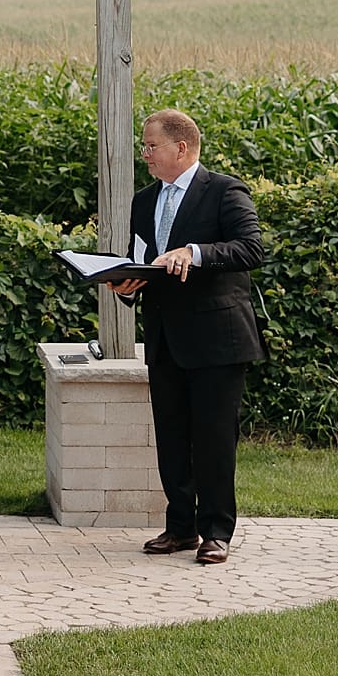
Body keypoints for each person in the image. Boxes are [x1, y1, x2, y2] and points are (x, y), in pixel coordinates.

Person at [112, 108, 265, 565]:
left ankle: (216, 532)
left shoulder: (224, 191)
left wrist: (195, 253)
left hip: (218, 340)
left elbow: (250, 248)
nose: (145, 154)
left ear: (182, 148)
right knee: (172, 438)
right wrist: (126, 285)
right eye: (144, 146)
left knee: (214, 440)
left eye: (151, 145)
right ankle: (179, 527)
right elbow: (143, 261)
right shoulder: (144, 200)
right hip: (165, 340)